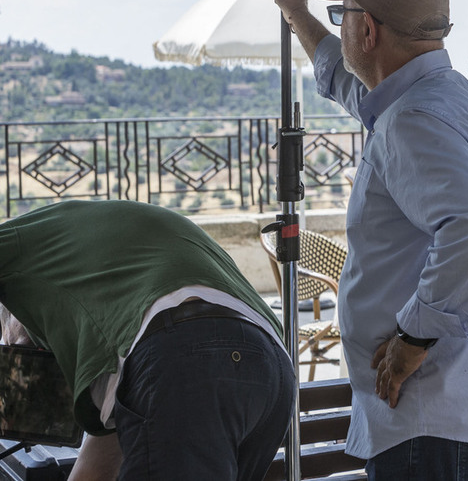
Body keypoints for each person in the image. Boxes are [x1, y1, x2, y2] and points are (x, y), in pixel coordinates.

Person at [270, 0, 468, 480]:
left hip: (439, 424)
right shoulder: (447, 96)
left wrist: (414, 339)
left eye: (341, 15)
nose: (341, 26)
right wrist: (297, 13)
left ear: (366, 29)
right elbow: (353, 87)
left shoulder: (411, 120)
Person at [0, 199, 294, 481]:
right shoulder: (124, 350)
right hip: (272, 370)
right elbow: (95, 473)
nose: (28, 362)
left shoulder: (20, 242)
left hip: (184, 359)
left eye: (20, 351)